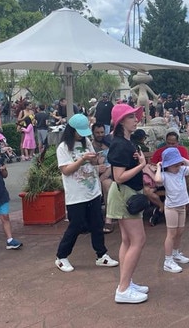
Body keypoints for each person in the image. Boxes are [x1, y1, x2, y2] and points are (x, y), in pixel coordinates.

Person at [54, 114, 119, 273]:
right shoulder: (63, 147)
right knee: (76, 225)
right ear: (72, 130)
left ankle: (101, 254)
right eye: (79, 132)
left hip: (93, 191)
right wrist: (82, 160)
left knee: (97, 224)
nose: (82, 136)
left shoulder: (86, 142)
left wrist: (95, 159)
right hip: (76, 195)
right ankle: (61, 256)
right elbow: (66, 170)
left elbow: (95, 162)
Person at [105, 104, 150, 304]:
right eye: (132, 116)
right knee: (138, 240)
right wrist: (142, 165)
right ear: (122, 120)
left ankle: (125, 283)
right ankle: (123, 289)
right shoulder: (120, 144)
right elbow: (119, 176)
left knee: (127, 241)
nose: (136, 119)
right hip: (125, 194)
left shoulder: (126, 142)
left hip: (126, 194)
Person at [153, 147, 189, 273]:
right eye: (174, 165)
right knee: (171, 234)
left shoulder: (182, 170)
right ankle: (168, 260)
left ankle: (176, 253)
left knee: (180, 231)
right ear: (167, 165)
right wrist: (159, 167)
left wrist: (182, 159)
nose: (177, 167)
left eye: (178, 164)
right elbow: (157, 180)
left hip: (182, 205)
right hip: (171, 207)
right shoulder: (164, 175)